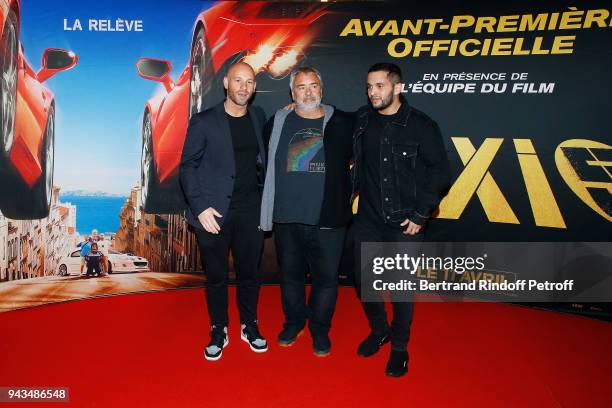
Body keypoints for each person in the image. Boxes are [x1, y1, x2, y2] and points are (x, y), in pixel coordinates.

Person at [352, 63, 450, 377]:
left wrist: (421, 214)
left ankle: (399, 346)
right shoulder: (363, 120)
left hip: (405, 221)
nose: (372, 93)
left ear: (398, 88)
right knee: (363, 279)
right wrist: (295, 107)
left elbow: (439, 172)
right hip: (368, 218)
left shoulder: (421, 125)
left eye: (379, 86)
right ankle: (380, 330)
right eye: (369, 87)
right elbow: (334, 122)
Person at [260, 66, 354, 356]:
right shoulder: (276, 122)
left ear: (321, 90)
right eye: (301, 87)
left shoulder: (343, 121)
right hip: (287, 218)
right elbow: (260, 162)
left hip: (328, 220)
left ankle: (320, 330)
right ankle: (293, 322)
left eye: (313, 86)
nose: (308, 92)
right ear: (292, 92)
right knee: (290, 278)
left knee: (326, 280)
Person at [180, 61, 268, 361]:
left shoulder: (258, 116)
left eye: (250, 81)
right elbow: (187, 167)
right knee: (216, 277)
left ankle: (249, 325)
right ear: (226, 84)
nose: (244, 87)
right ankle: (219, 328)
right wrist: (200, 207)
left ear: (254, 87)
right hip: (213, 214)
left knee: (249, 275)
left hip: (250, 210)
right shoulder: (204, 121)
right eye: (238, 81)